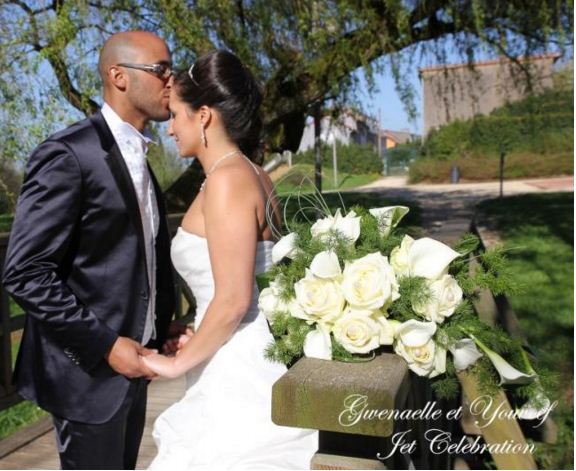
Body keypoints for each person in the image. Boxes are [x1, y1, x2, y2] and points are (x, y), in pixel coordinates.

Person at [2, 31, 177, 470]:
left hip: (135, 366)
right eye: (161, 70)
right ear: (118, 76)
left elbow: (133, 260)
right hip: (87, 375)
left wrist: (162, 324)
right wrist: (103, 345)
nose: (172, 81)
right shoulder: (69, 154)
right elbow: (24, 272)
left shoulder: (140, 156)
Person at [140, 50, 317, 469]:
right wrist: (198, 329)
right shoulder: (251, 173)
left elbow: (236, 299)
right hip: (234, 347)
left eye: (176, 116)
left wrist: (174, 363)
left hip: (241, 369)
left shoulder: (227, 180)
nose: (170, 129)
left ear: (203, 116)